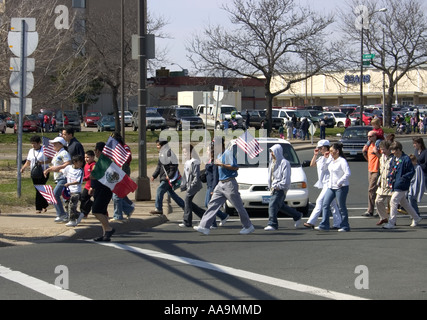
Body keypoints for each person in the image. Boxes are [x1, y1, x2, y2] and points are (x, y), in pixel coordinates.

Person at [194, 137, 255, 235]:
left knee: (238, 206)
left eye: (215, 145)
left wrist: (222, 165)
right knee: (212, 204)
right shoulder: (219, 154)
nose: (213, 147)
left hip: (229, 183)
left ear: (220, 145)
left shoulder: (227, 153)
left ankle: (248, 226)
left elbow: (235, 167)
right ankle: (204, 226)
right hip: (220, 184)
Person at [383, 141, 422, 229]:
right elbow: (391, 170)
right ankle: (416, 217)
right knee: (404, 203)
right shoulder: (394, 159)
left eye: (394, 151)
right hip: (394, 183)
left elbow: (411, 171)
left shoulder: (406, 159)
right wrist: (389, 178)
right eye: (392, 151)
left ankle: (391, 222)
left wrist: (403, 178)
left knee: (393, 201)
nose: (393, 153)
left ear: (399, 150)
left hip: (402, 185)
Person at [264, 144, 302, 231]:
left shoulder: (285, 163)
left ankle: (272, 224)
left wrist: (278, 186)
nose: (271, 154)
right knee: (280, 206)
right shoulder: (272, 162)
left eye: (273, 151)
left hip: (280, 188)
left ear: (278, 152)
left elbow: (286, 179)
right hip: (273, 188)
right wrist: (271, 186)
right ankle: (297, 215)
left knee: (272, 205)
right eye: (271, 152)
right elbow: (271, 176)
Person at [304, 140, 341, 229]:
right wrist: (315, 155)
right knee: (333, 205)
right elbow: (312, 164)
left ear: (326, 147)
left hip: (329, 183)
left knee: (319, 201)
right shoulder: (321, 158)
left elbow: (325, 168)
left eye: (321, 148)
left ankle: (311, 222)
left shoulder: (331, 158)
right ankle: (338, 223)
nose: (320, 149)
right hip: (324, 183)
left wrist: (326, 157)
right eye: (318, 148)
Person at [316, 143, 351, 232]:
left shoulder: (342, 161)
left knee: (341, 206)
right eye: (330, 151)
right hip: (331, 186)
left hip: (341, 187)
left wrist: (340, 181)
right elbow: (323, 168)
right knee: (325, 204)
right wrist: (325, 158)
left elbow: (348, 173)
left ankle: (345, 226)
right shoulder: (331, 160)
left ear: (337, 151)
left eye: (332, 151)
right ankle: (324, 224)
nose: (330, 152)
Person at [150, 139, 185, 215]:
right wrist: (154, 175)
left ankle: (158, 208)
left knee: (160, 190)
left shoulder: (169, 154)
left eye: (158, 145)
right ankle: (185, 206)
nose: (157, 147)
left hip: (167, 178)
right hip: (164, 177)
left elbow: (174, 166)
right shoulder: (162, 153)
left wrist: (169, 176)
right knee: (172, 194)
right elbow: (159, 166)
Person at [89, 142, 115, 242]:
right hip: (100, 189)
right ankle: (105, 235)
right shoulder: (103, 161)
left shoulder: (104, 162)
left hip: (104, 190)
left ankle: (109, 229)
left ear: (98, 151)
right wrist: (93, 187)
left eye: (95, 150)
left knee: (96, 210)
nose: (95, 152)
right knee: (103, 212)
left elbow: (93, 175)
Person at [20, 135, 52, 214]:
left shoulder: (44, 150)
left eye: (34, 143)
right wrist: (23, 168)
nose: (33, 145)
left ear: (39, 143)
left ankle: (38, 208)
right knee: (38, 188)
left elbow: (50, 160)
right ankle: (45, 204)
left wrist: (41, 162)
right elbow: (28, 161)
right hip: (34, 172)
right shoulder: (31, 151)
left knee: (39, 188)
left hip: (44, 172)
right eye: (32, 143)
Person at [43, 137, 71, 223]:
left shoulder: (64, 153)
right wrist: (49, 169)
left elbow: (68, 162)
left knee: (55, 194)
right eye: (53, 143)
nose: (53, 145)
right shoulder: (57, 153)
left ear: (61, 144)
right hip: (58, 177)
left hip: (64, 176)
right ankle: (69, 214)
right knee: (62, 196)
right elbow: (55, 165)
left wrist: (58, 167)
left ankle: (61, 214)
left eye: (55, 143)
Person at [110, 132, 135, 221]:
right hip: (116, 171)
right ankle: (128, 208)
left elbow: (128, 158)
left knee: (116, 195)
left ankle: (118, 215)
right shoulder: (114, 149)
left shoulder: (125, 148)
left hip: (123, 171)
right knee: (117, 195)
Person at [204, 141, 229, 228]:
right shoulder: (209, 160)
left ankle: (217, 220)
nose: (207, 152)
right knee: (208, 204)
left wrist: (213, 189)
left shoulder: (215, 161)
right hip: (208, 184)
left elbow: (215, 175)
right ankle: (220, 218)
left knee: (209, 204)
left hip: (212, 185)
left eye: (208, 150)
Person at [179, 144, 205, 228]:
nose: (184, 154)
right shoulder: (188, 162)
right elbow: (186, 176)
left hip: (194, 186)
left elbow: (196, 176)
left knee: (187, 201)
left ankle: (187, 221)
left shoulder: (194, 162)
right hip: (189, 185)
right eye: (183, 153)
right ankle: (205, 216)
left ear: (191, 152)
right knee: (189, 203)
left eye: (186, 152)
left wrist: (191, 186)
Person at [362, 131, 381, 217]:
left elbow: (383, 158)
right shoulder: (369, 146)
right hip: (370, 169)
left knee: (371, 190)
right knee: (374, 191)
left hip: (377, 170)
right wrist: (364, 152)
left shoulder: (378, 146)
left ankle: (370, 210)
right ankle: (375, 209)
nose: (369, 138)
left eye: (371, 136)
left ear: (375, 137)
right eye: (368, 136)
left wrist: (376, 152)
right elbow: (369, 159)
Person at [62, 155, 85, 227]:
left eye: (82, 162)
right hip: (68, 190)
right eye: (79, 162)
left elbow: (78, 181)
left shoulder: (80, 171)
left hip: (76, 191)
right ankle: (79, 215)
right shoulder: (68, 168)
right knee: (66, 205)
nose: (81, 163)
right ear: (74, 162)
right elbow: (63, 172)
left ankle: (72, 221)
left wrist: (69, 183)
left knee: (72, 206)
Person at [375, 140, 393, 226]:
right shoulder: (382, 157)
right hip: (382, 184)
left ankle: (392, 221)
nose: (382, 151)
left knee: (392, 204)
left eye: (384, 149)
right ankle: (383, 217)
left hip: (391, 184)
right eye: (381, 149)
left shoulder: (393, 158)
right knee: (378, 201)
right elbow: (380, 170)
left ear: (389, 149)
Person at [80, 150, 96, 217]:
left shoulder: (94, 165)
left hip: (94, 186)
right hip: (87, 186)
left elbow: (92, 176)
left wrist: (83, 179)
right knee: (83, 198)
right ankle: (83, 213)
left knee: (98, 200)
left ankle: (103, 213)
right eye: (85, 157)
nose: (86, 159)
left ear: (93, 157)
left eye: (88, 157)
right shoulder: (86, 165)